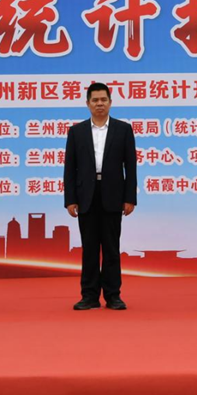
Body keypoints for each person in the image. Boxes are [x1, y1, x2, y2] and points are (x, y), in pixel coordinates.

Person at [64, 83, 137, 311]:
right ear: (87, 104)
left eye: (103, 100)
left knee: (112, 248)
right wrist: (70, 199)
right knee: (90, 249)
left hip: (113, 195)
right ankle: (89, 296)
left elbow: (131, 167)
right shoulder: (76, 132)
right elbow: (70, 168)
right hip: (86, 195)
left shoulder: (123, 130)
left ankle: (113, 295)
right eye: (95, 100)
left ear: (110, 103)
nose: (99, 104)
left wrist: (130, 198)